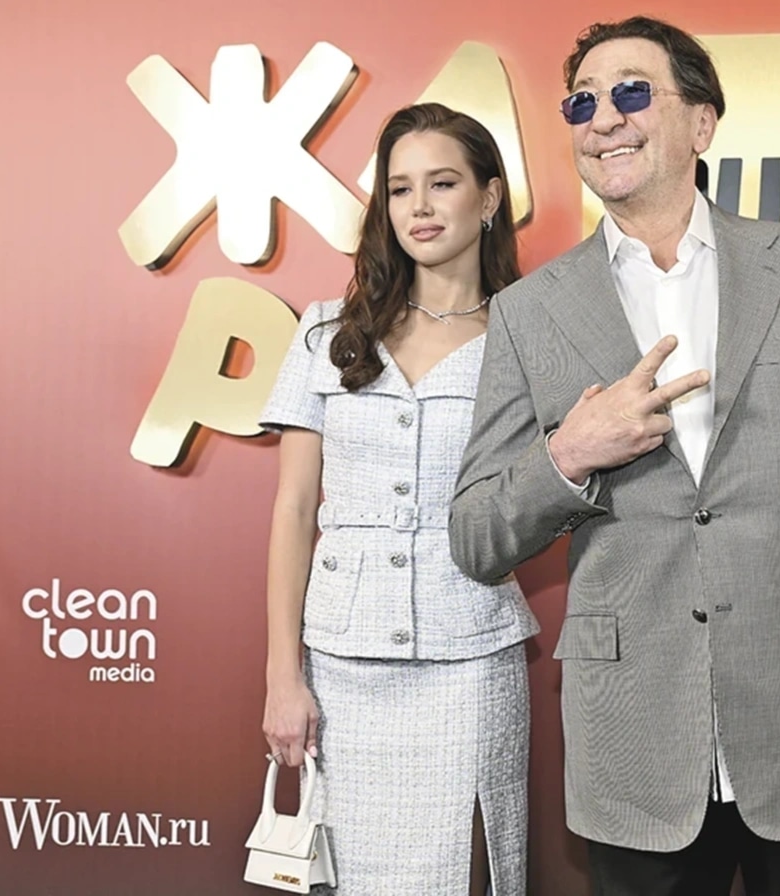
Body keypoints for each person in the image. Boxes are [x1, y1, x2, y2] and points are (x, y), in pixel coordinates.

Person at [450, 17, 780, 896]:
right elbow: (477, 535)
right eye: (582, 102)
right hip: (633, 746)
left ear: (701, 123)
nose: (603, 118)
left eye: (631, 92)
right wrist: (570, 453)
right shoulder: (530, 309)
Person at [259, 102, 537, 896]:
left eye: (442, 183)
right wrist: (283, 675)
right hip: (342, 663)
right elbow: (293, 511)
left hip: (472, 655)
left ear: (488, 197)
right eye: (400, 188)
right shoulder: (327, 333)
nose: (419, 206)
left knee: (469, 873)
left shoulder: (527, 336)